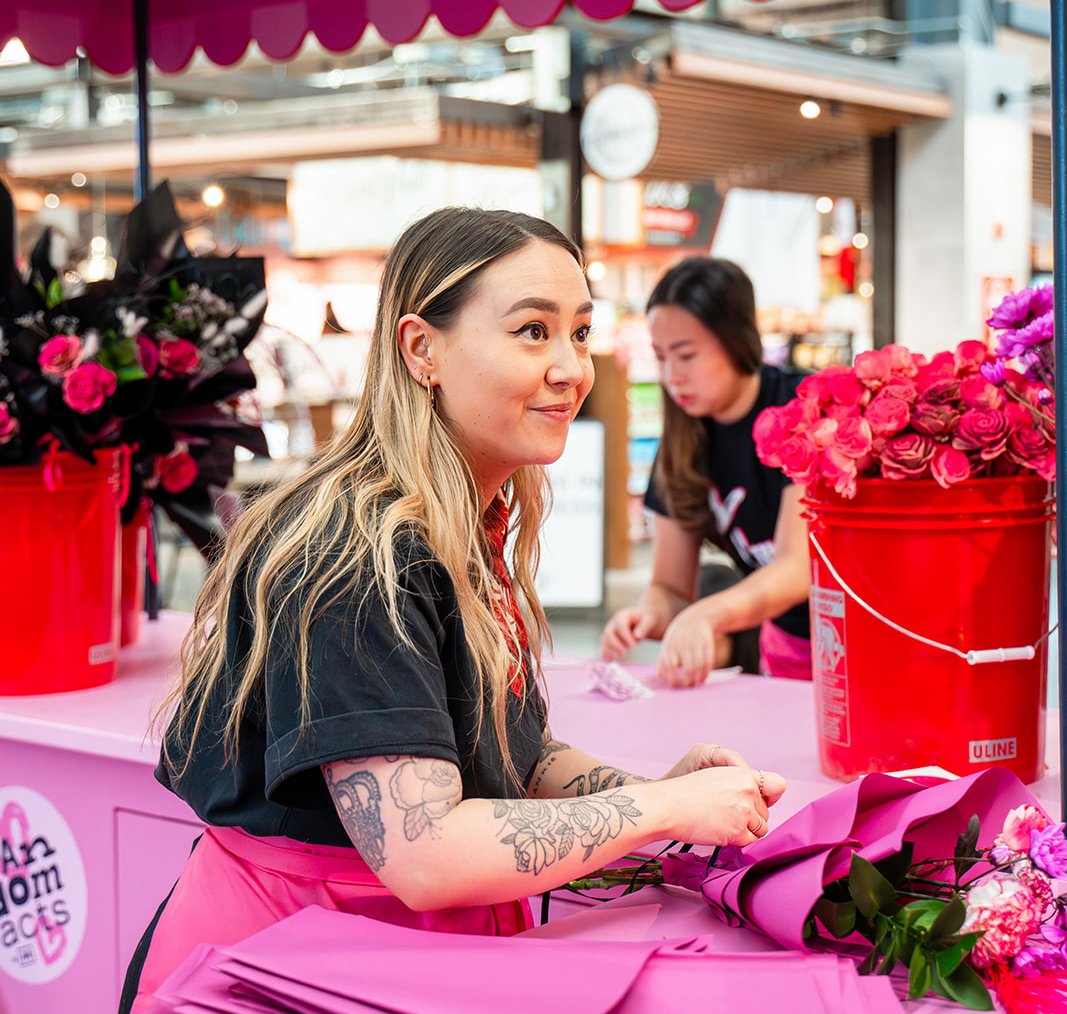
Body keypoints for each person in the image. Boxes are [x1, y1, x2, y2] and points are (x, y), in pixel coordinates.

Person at [121, 209, 786, 1012]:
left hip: (387, 956)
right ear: (420, 349)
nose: (571, 367)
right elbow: (424, 851)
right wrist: (658, 808)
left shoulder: (463, 519)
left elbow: (518, 754)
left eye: (579, 333)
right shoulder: (354, 551)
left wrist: (658, 797)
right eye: (532, 331)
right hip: (284, 966)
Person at [600, 257, 811, 686]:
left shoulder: (802, 407)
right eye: (661, 358)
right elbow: (671, 586)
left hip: (857, 640)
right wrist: (648, 614)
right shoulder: (681, 442)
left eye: (687, 355)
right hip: (785, 649)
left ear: (735, 341)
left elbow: (798, 569)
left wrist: (709, 612)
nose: (672, 376)